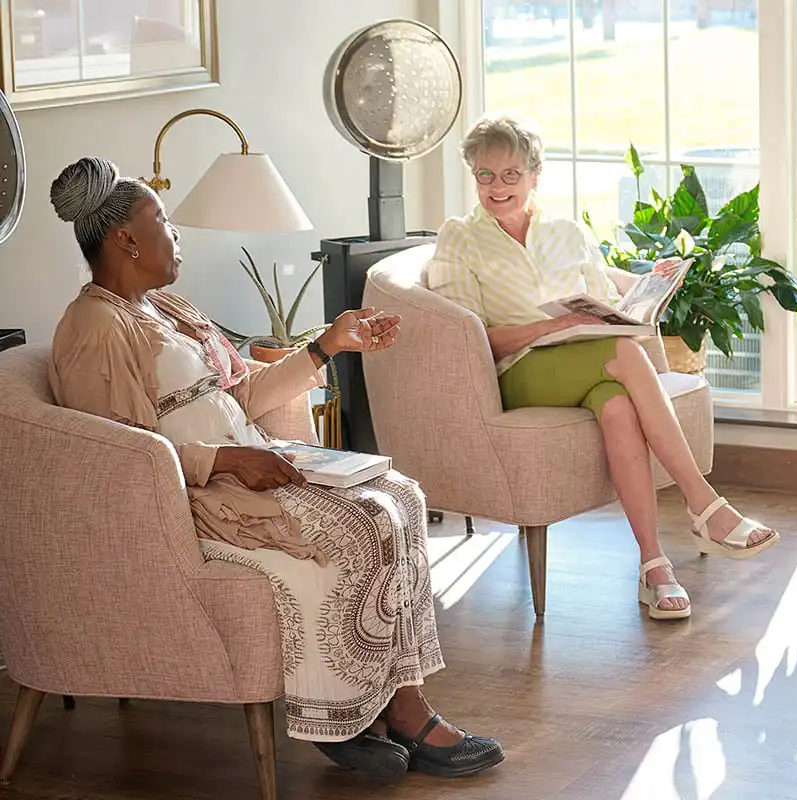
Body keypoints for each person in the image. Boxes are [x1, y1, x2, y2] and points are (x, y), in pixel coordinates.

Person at [48, 157, 504, 782]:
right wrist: (226, 459)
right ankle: (361, 716)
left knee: (401, 497)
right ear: (125, 239)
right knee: (357, 527)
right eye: (161, 221)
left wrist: (328, 344)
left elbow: (243, 395)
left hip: (251, 464)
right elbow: (118, 458)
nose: (174, 233)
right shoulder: (93, 326)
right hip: (201, 497)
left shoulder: (164, 307)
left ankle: (391, 701)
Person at [427, 113, 779, 622]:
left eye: (509, 175)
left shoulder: (567, 232)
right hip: (518, 369)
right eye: (485, 175)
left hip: (587, 358)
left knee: (617, 409)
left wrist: (650, 283)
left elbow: (603, 295)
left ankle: (654, 568)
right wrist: (550, 328)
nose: (496, 187)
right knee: (625, 356)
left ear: (534, 175)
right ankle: (704, 504)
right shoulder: (459, 238)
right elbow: (474, 336)